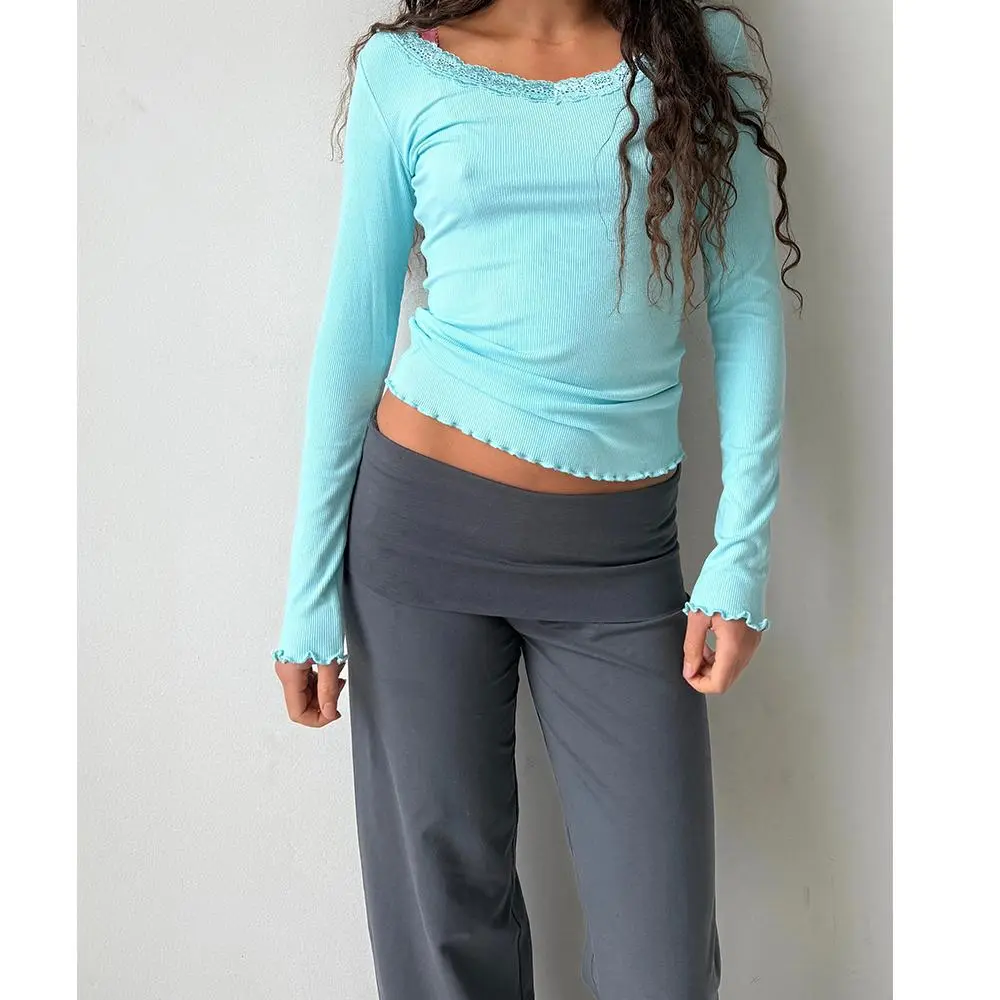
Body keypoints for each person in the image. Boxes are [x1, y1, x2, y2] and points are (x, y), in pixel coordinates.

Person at [273, 2, 800, 997]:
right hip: (418, 544)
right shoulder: (406, 71)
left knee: (662, 962)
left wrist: (741, 555)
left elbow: (744, 304)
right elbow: (354, 332)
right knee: (443, 936)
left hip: (620, 563)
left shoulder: (698, 53)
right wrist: (307, 601)